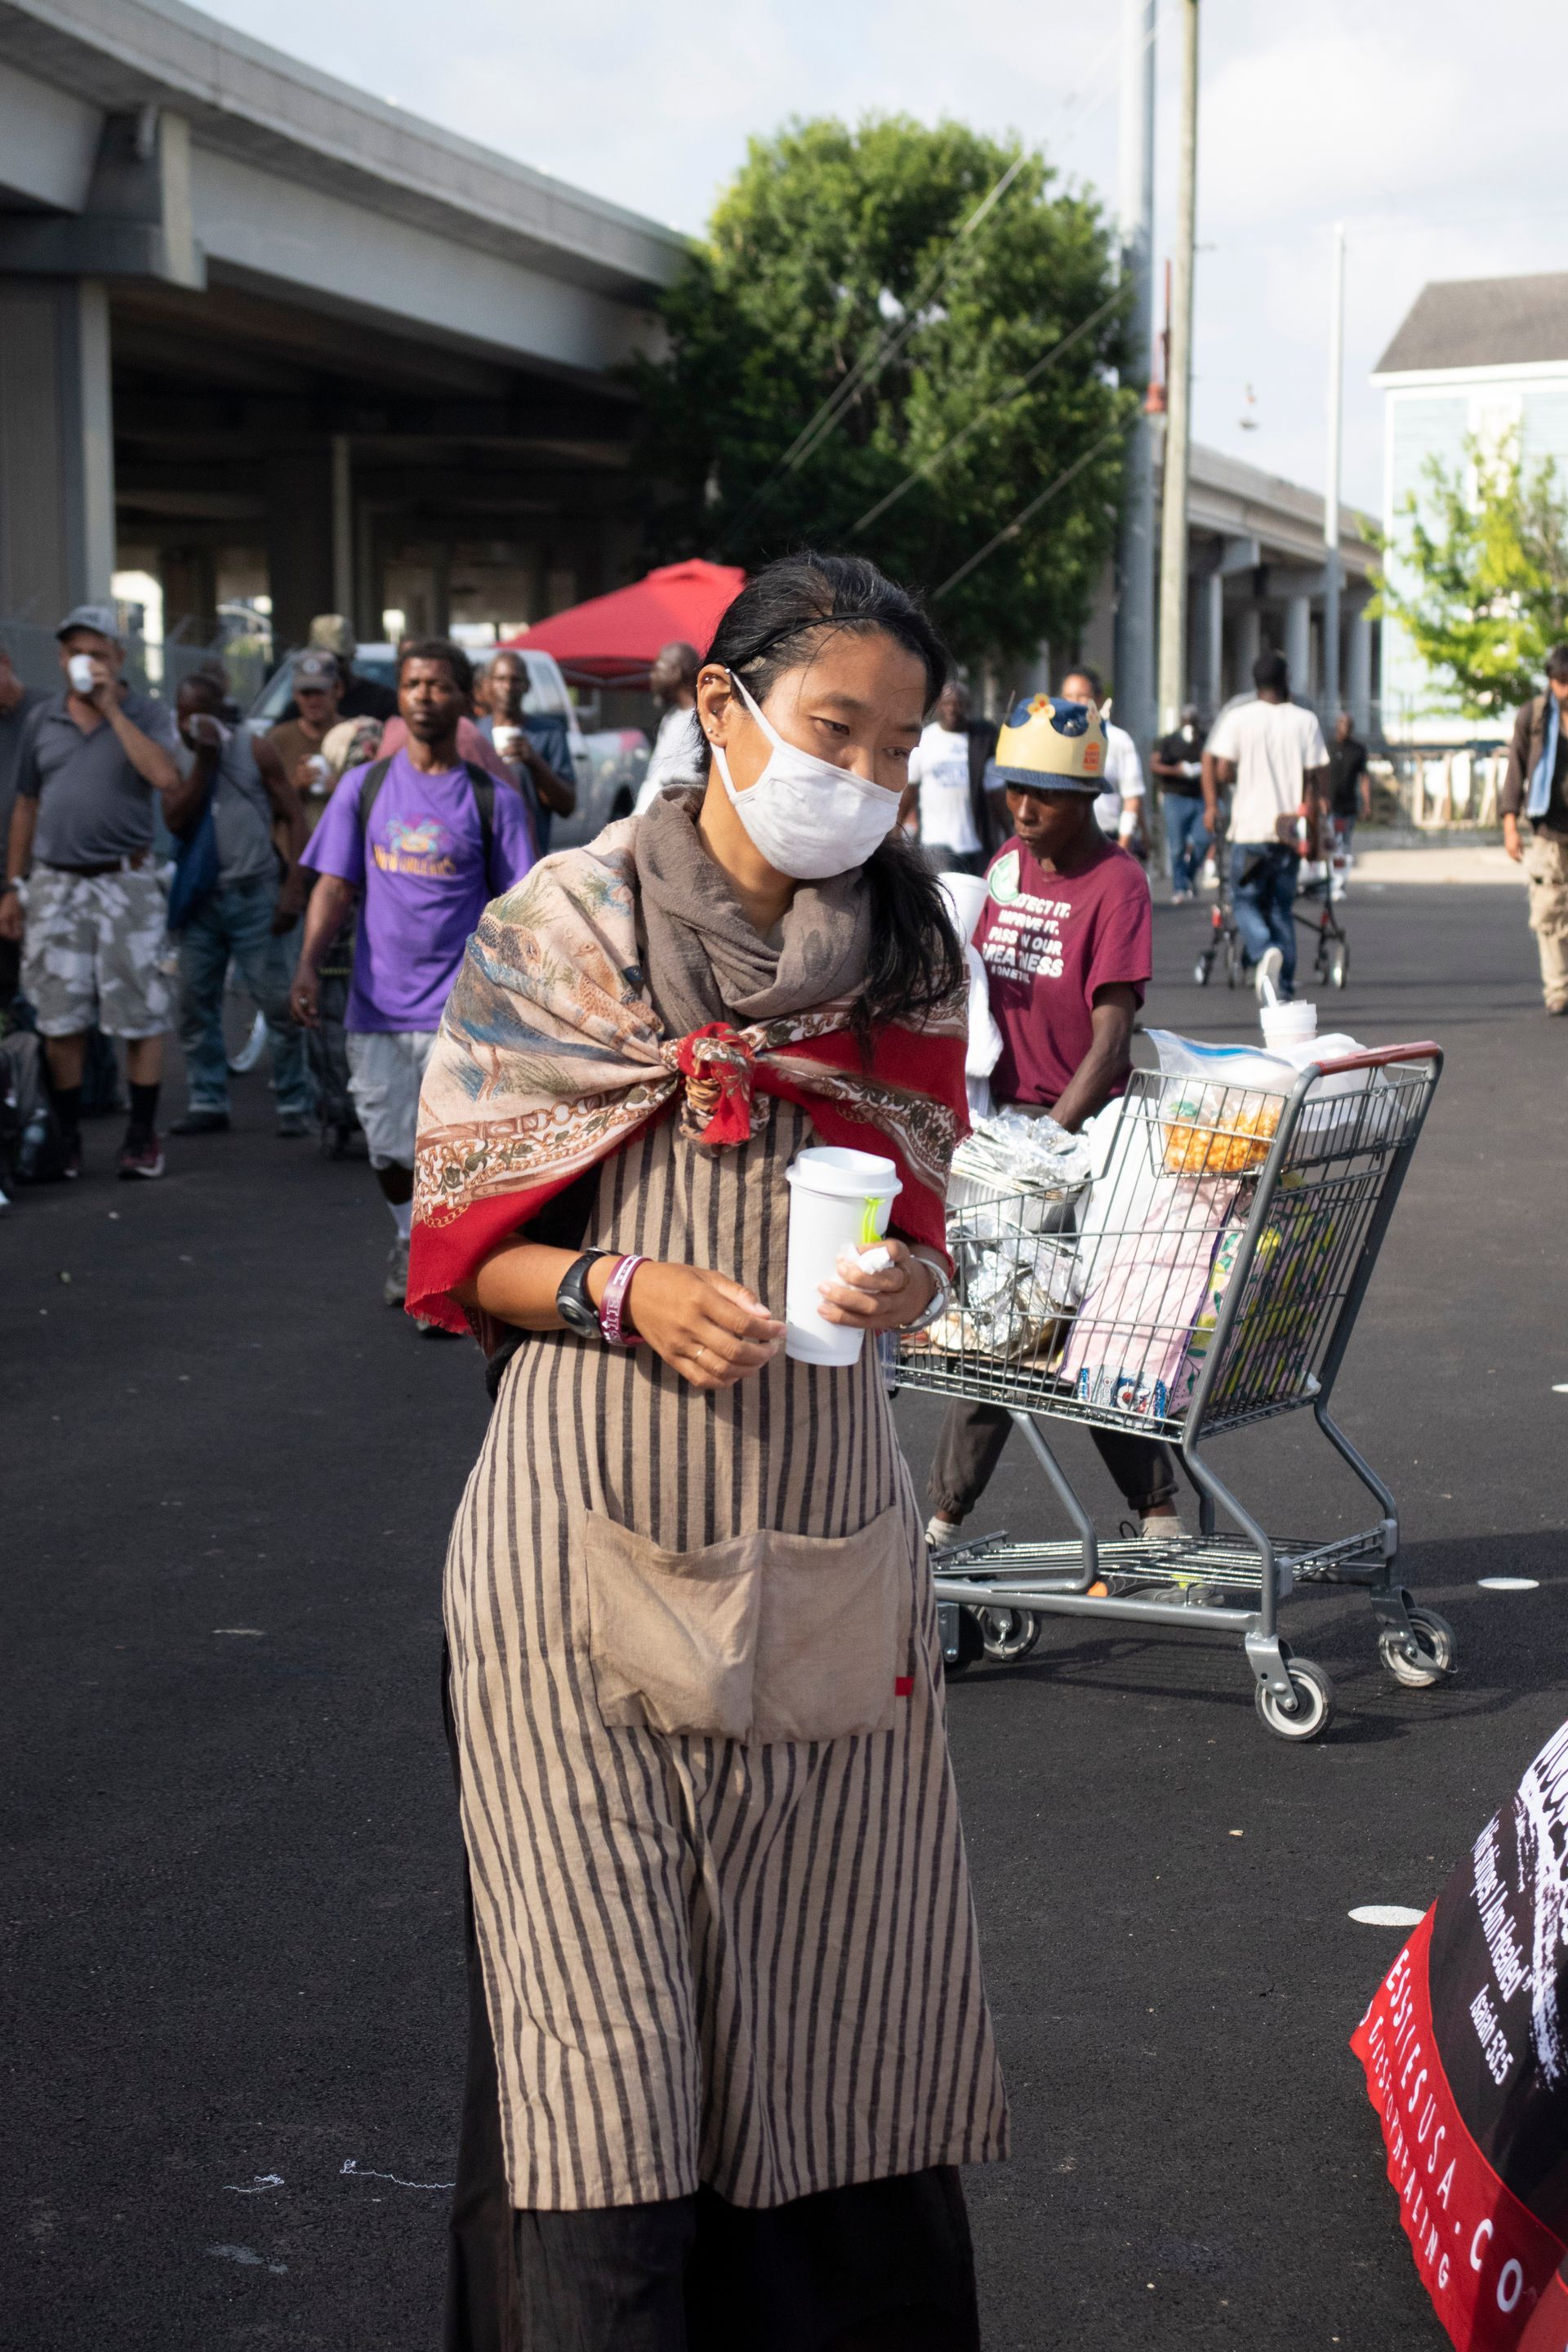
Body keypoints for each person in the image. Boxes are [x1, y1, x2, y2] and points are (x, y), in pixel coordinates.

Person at [408, 554, 1005, 2352]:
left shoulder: (911, 948)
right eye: (837, 729)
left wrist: (902, 1271)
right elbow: (453, 1248)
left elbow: (917, 1199)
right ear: (720, 707)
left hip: (825, 1534)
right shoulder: (563, 932)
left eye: (901, 748)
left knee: (827, 2008)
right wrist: (622, 1285)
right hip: (574, 1553)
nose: (869, 777)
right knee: (596, 2040)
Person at [924, 693, 1181, 1562]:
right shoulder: (1003, 867)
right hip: (1003, 1135)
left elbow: (1113, 1039)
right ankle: (946, 1522)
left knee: (1092, 1338)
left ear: (1090, 798)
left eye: (1047, 796)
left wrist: (1051, 1141)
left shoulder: (1119, 884)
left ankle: (1154, 1515)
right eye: (1015, 791)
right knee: (1000, 1336)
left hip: (1084, 1137)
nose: (1025, 810)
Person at [289, 638, 535, 1312]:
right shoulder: (362, 788)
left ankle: (440, 1275)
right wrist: (308, 966)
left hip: (463, 1014)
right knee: (390, 1151)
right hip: (375, 1009)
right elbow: (334, 887)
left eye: (438, 684)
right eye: (412, 684)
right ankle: (408, 1234)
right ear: (399, 696)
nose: (424, 695)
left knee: (453, 1153)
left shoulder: (495, 801)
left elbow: (521, 912)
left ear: (464, 701)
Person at [0, 604, 182, 1178]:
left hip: (126, 882)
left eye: (98, 653)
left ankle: (140, 1136)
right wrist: (13, 886)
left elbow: (165, 776)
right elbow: (26, 805)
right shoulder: (43, 720)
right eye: (76, 652)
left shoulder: (146, 713)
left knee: (140, 1011)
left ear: (118, 660)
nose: (86, 663)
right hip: (56, 886)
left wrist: (111, 709)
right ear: (61, 658)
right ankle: (69, 1137)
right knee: (60, 1017)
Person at [166, 671, 314, 1138]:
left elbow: (293, 812)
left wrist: (294, 884)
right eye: (183, 714)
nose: (190, 724)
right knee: (193, 1000)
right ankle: (206, 1099)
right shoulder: (174, 755)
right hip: (201, 900)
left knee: (277, 999)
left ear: (220, 712)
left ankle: (294, 1103)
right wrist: (203, 765)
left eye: (199, 713)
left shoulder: (254, 748)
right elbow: (174, 818)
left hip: (255, 893)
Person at [1201, 651, 1329, 1000]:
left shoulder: (1239, 718)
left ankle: (1263, 948)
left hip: (1250, 830)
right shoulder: (1306, 720)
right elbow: (1317, 777)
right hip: (1289, 833)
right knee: (1280, 906)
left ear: (1255, 682)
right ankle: (1283, 985)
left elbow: (1221, 767)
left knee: (1245, 901)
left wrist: (1216, 801)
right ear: (1286, 679)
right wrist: (1316, 826)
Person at [1500, 646, 1568, 1017]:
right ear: (1550, 682)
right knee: (1548, 910)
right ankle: (1558, 988)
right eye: (1561, 683)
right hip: (1547, 829)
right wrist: (1510, 824)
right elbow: (1515, 769)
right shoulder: (1535, 716)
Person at [479, 647, 577, 854]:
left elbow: (567, 805)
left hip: (528, 854)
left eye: (515, 680)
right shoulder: (474, 734)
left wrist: (534, 761)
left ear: (527, 686)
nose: (508, 686)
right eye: (500, 679)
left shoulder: (548, 733)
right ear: (487, 686)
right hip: (481, 855)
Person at [906, 679, 996, 874]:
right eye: (947, 703)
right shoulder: (925, 741)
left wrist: (1005, 832)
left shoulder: (981, 742)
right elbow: (909, 791)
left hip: (974, 843)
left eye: (959, 704)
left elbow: (994, 793)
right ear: (938, 706)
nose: (952, 709)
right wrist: (895, 834)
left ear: (969, 707)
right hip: (935, 842)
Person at [0, 644, 47, 1009]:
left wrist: (16, 885)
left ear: (5, 664)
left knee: (52, 995)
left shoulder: (48, 712)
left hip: (42, 880)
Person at [1058, 664, 1145, 853]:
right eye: (1068, 696)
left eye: (1081, 696)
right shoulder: (1054, 738)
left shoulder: (1118, 740)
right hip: (1061, 842)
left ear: (1097, 699)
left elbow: (1132, 797)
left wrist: (1123, 845)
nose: (1074, 703)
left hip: (1106, 841)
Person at [633, 640, 707, 812]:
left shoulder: (704, 716)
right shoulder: (671, 717)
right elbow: (655, 777)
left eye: (658, 669)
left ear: (676, 672)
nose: (652, 676)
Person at [1151, 702, 1209, 902]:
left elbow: (1215, 762)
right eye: (1187, 718)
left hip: (1199, 797)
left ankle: (1190, 875)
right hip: (1175, 797)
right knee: (1177, 847)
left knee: (1202, 840)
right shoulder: (1169, 741)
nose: (1190, 722)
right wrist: (1178, 770)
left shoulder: (1204, 740)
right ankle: (1179, 887)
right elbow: (1155, 764)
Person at [1325, 710, 1370, 857]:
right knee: (1329, 842)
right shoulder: (1328, 747)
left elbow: (1364, 778)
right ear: (1337, 725)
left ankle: (1341, 875)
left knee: (1344, 844)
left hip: (1348, 806)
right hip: (1330, 805)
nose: (1346, 727)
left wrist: (1366, 803)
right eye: (1343, 724)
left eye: (1349, 725)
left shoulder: (1358, 750)